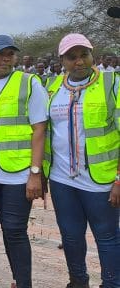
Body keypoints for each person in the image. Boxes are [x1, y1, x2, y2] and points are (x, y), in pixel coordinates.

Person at [44, 33, 119, 288]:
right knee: (71, 236)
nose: (79, 62)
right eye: (72, 57)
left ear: (92, 54)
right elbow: (45, 133)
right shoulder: (52, 87)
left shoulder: (112, 84)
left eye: (84, 55)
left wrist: (119, 178)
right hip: (62, 179)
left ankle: (112, 283)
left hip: (101, 180)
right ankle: (78, 281)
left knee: (107, 237)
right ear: (62, 60)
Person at [0, 35, 48, 288]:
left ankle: (24, 283)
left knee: (15, 230)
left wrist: (35, 172)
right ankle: (18, 279)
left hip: (19, 172)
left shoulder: (29, 83)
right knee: (7, 228)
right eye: (0, 53)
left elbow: (39, 129)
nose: (6, 58)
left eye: (10, 54)